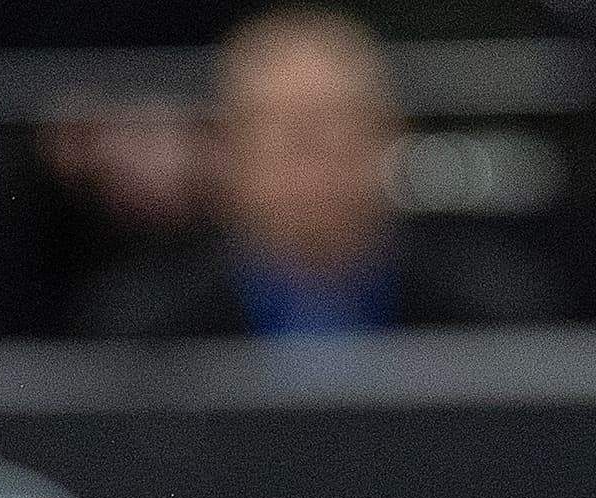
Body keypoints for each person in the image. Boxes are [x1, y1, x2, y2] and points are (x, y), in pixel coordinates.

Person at [77, 10, 555, 340]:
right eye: (282, 133)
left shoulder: (491, 313)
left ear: (389, 133)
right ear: (226, 149)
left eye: (335, 128)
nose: (311, 164)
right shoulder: (146, 328)